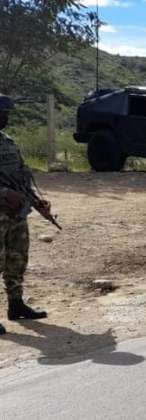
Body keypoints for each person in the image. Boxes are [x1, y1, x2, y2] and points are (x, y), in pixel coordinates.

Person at [0, 94, 49, 336]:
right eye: (3, 113)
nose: (5, 117)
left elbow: (21, 175)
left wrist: (36, 200)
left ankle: (16, 304)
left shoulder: (8, 142)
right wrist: (4, 192)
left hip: (15, 214)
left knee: (17, 258)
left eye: (7, 113)